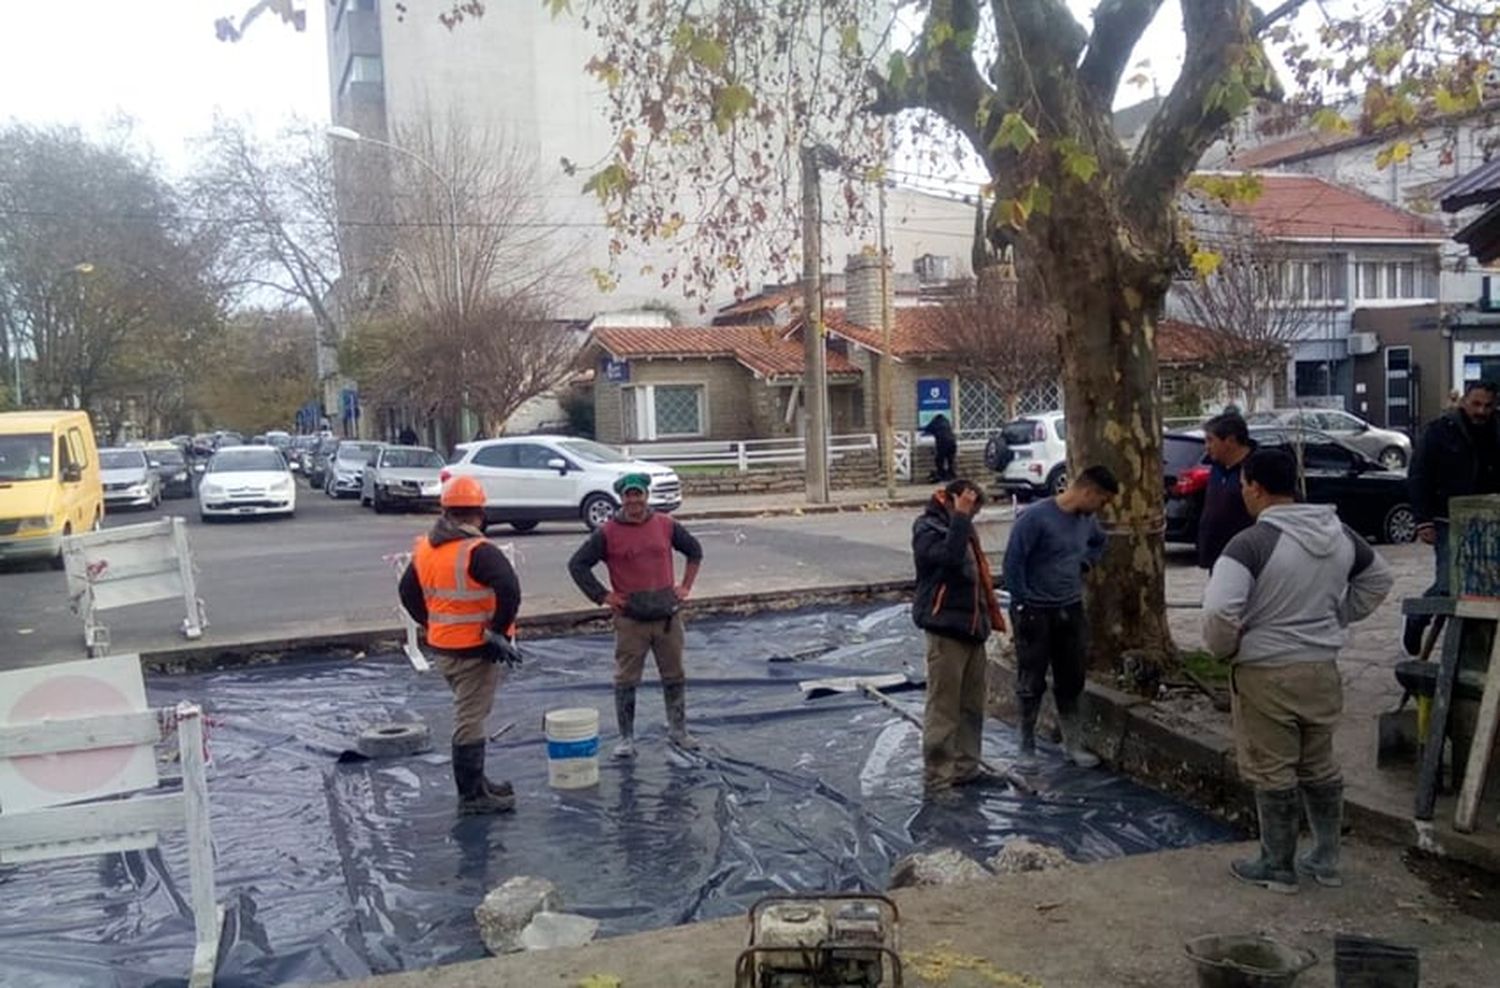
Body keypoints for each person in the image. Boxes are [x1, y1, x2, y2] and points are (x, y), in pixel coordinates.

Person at [1203, 449, 1393, 893]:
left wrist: (1228, 649)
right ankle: (1326, 859)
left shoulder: (1250, 544)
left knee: (1273, 769)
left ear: (1253, 487)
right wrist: (1337, 616)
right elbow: (1379, 579)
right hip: (1321, 668)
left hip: (1266, 672)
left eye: (1245, 485)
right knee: (1319, 763)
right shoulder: (1339, 533)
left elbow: (1217, 614)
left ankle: (1277, 865)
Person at [399, 476, 523, 815]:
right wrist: (497, 632)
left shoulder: (426, 547)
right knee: (470, 719)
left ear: (446, 511)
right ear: (479, 513)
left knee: (470, 713)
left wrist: (431, 624)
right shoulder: (478, 551)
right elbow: (509, 589)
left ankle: (478, 784)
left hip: (445, 648)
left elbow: (407, 592)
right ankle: (471, 796)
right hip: (474, 650)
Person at [568, 473, 704, 758]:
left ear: (646, 496)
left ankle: (678, 730)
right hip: (630, 620)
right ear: (621, 498)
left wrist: (685, 587)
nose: (634, 501)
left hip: (667, 617)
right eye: (629, 495)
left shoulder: (665, 525)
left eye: (638, 494)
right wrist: (604, 596)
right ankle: (626, 738)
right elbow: (578, 565)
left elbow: (694, 551)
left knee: (674, 674)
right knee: (626, 679)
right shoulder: (607, 533)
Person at [1002, 465, 1118, 772]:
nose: (1101, 508)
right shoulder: (1035, 518)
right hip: (1035, 610)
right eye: (1102, 500)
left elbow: (1099, 542)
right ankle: (1026, 745)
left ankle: (1072, 743)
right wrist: (1023, 602)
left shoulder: (1087, 521)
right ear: (1088, 492)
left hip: (1070, 607)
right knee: (1031, 679)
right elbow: (1013, 562)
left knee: (1072, 677)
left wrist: (1086, 564)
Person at [911, 479, 1007, 791]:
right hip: (946, 628)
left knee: (971, 706)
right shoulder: (927, 528)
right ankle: (938, 777)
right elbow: (950, 562)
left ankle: (967, 768)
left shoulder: (962, 528)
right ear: (953, 501)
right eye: (970, 509)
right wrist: (962, 518)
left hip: (972, 628)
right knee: (944, 708)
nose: (973, 516)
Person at [1404, 380, 1500, 653]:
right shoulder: (1439, 431)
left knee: (1482, 586)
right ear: (1464, 402)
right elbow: (1419, 476)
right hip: (1448, 518)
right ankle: (1419, 615)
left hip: (1490, 520)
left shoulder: (1496, 429)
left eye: (1488, 405)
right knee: (1449, 582)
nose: (1481, 411)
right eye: (1476, 404)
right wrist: (1422, 519)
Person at [1197, 412, 1256, 570]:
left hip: (1244, 559)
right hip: (1215, 559)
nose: (1207, 447)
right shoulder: (1216, 467)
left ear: (1230, 440)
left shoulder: (1257, 468)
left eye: (1211, 440)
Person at [922, 414, 958, 482]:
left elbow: (927, 429)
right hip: (952, 442)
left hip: (943, 443)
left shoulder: (935, 422)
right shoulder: (946, 422)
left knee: (939, 460)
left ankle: (942, 475)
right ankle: (952, 475)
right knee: (950, 460)